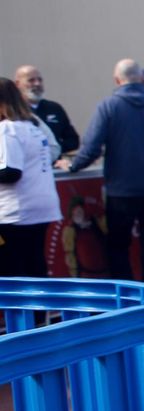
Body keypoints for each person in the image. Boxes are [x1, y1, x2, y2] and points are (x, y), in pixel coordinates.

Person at [61, 58, 144, 283]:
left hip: (122, 190)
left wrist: (73, 165)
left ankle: (124, 294)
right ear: (141, 79)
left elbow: (92, 147)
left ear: (117, 80)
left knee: (118, 245)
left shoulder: (109, 107)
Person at [0, 77, 62, 278]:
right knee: (34, 266)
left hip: (15, 212)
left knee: (13, 270)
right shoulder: (33, 126)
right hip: (40, 208)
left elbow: (11, 172)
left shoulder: (7, 130)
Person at [14, 65, 79, 154]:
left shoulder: (54, 108)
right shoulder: (13, 111)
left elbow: (73, 140)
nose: (37, 84)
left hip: (53, 160)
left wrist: (53, 150)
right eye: (31, 80)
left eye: (40, 80)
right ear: (17, 84)